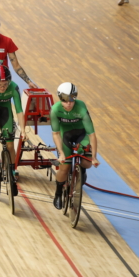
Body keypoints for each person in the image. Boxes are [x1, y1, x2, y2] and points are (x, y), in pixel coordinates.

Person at [50, 82, 100, 210]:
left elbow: (92, 134)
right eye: (65, 101)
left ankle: (81, 170)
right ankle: (58, 194)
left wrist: (94, 157)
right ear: (60, 98)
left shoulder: (81, 108)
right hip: (64, 136)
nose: (68, 104)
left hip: (81, 135)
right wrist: (61, 153)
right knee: (64, 167)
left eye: (72, 100)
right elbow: (55, 133)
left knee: (87, 163)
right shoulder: (55, 110)